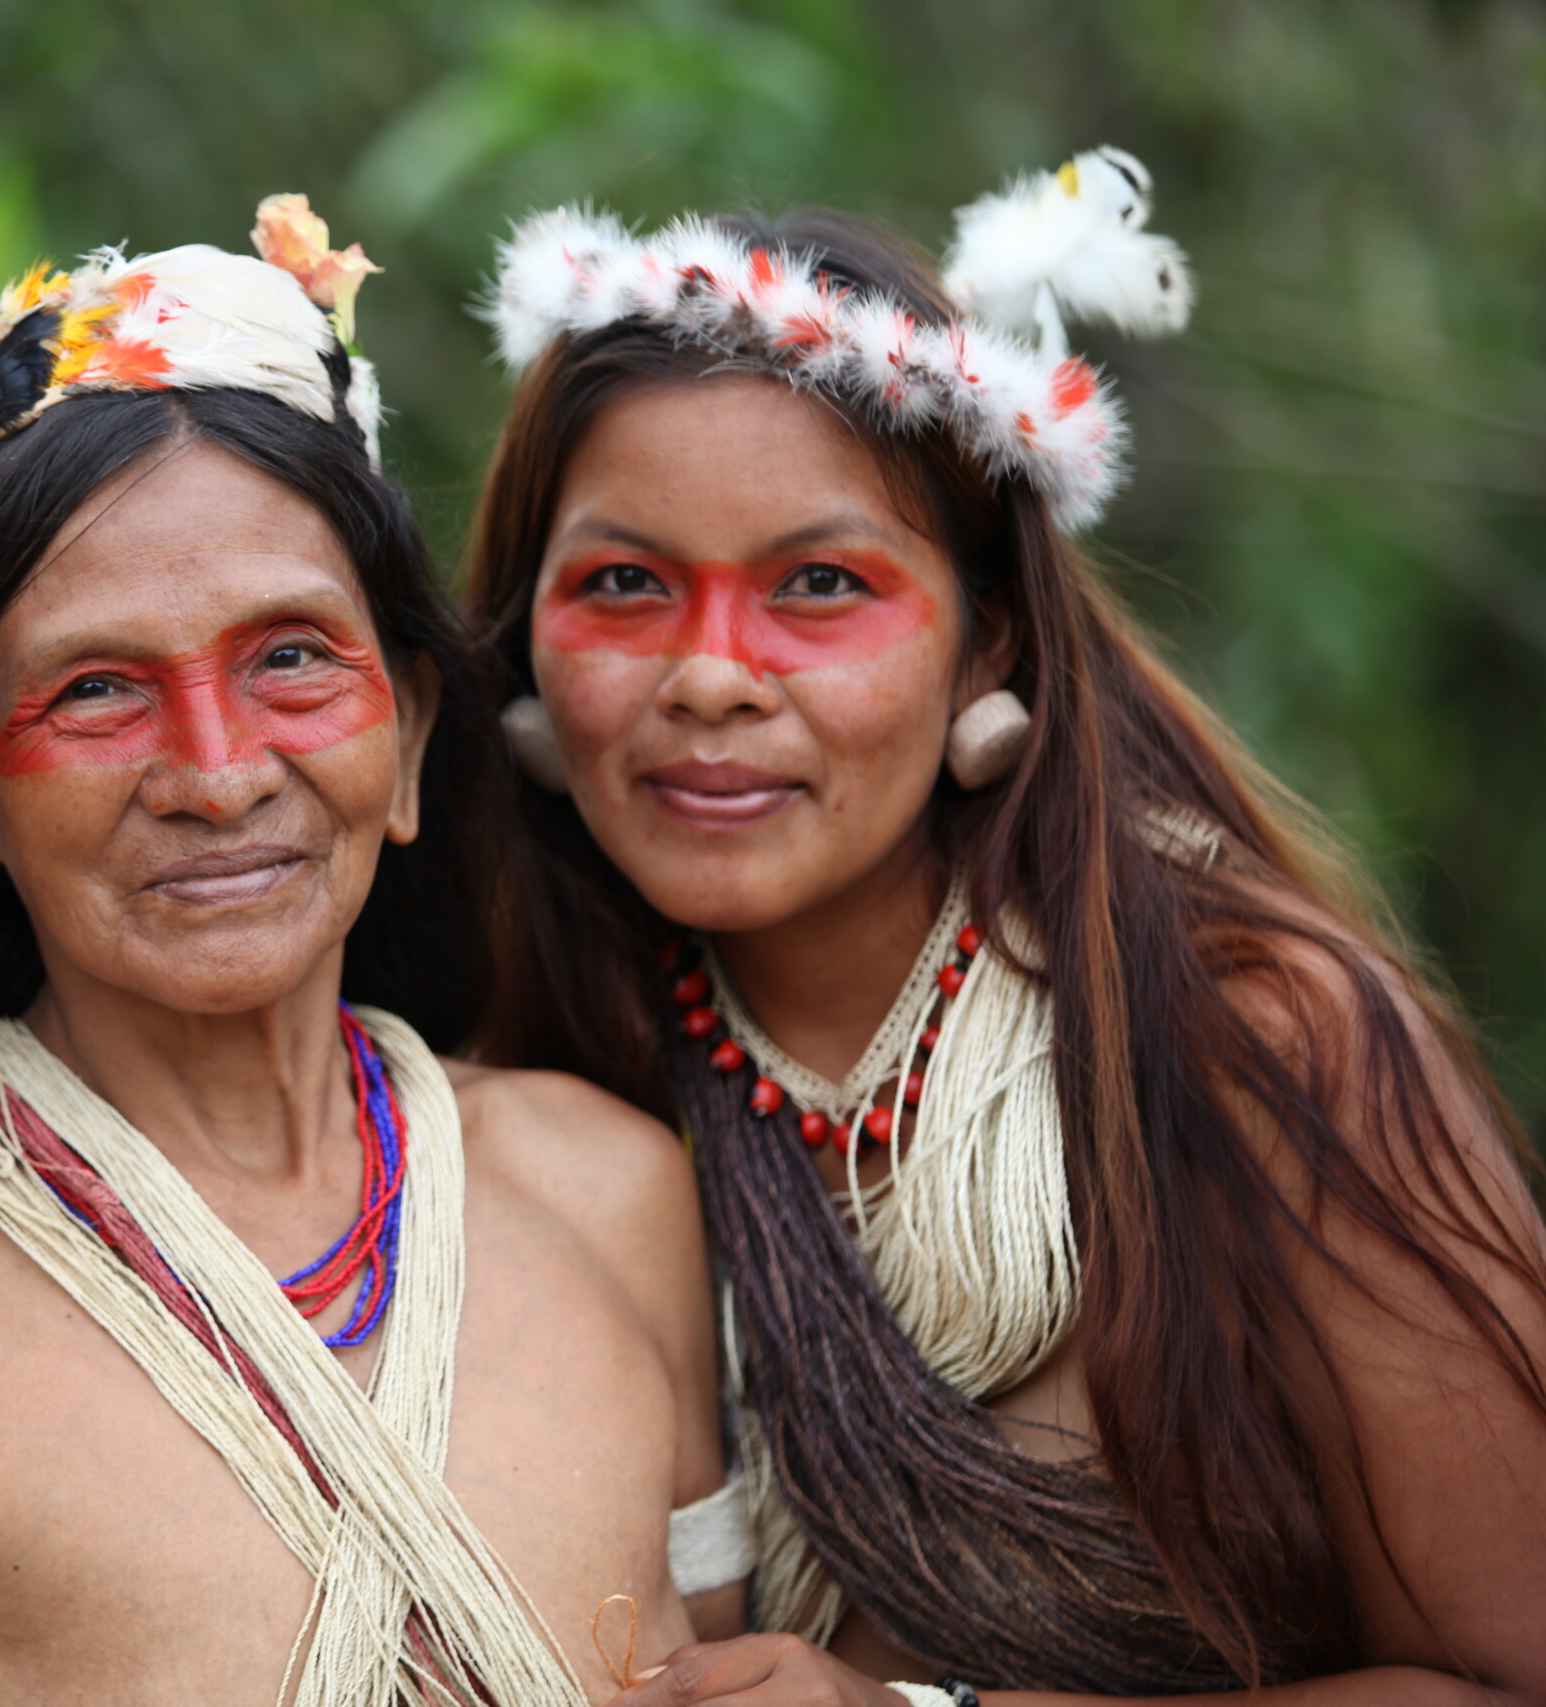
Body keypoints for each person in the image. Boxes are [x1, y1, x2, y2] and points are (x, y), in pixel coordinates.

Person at [469, 154, 1546, 1701]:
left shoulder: (1250, 1029)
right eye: (625, 584)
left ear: (999, 645)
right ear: (523, 642)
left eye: (822, 585)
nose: (708, 675)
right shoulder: (532, 1085)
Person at [0, 200, 731, 1706]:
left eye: (292, 656)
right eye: (97, 690)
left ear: (412, 731)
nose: (220, 773)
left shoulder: (612, 1193)